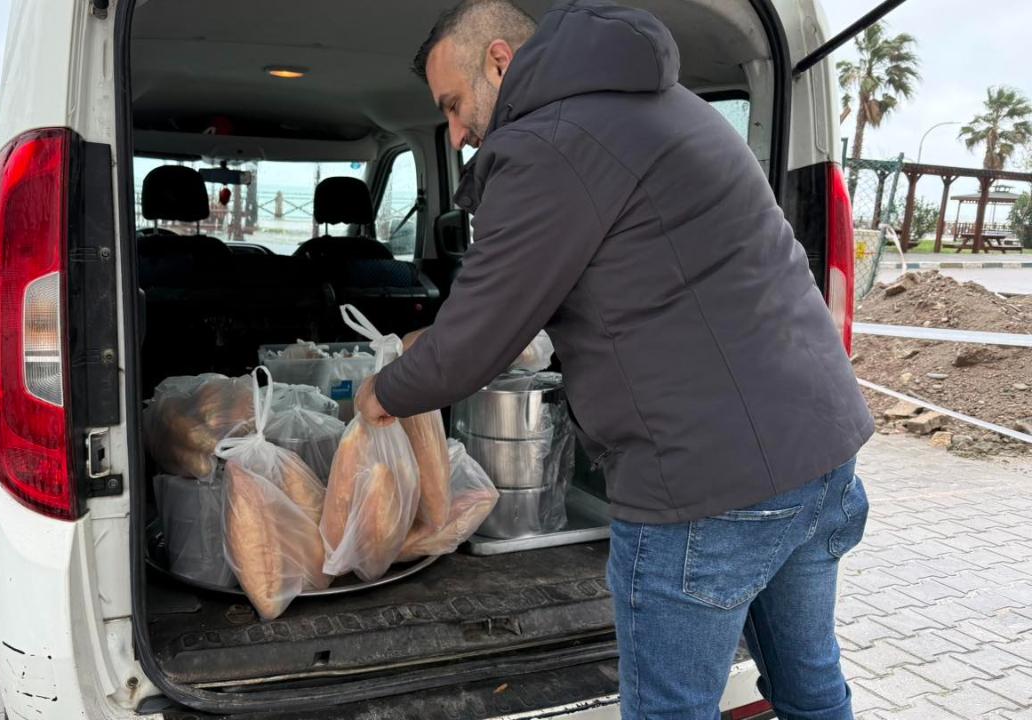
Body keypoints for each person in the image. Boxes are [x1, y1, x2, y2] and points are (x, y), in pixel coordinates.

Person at [354, 1, 874, 718]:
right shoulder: (666, 104)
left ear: (500, 61)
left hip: (706, 491)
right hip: (820, 456)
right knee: (810, 685)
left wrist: (383, 391)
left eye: (452, 104)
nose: (456, 131)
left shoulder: (548, 143)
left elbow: (472, 344)